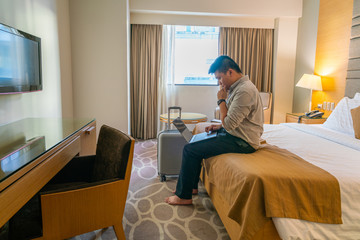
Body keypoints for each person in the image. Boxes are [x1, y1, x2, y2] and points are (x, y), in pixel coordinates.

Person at [165, 55, 264, 205]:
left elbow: (230, 124)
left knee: (190, 149)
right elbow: (234, 121)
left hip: (243, 142)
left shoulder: (245, 91)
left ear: (230, 72)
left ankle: (183, 197)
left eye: (219, 78)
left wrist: (221, 100)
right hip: (235, 134)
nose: (219, 82)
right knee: (196, 141)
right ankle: (190, 187)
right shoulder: (237, 87)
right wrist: (219, 126)